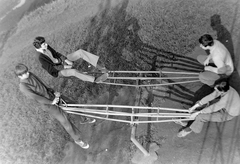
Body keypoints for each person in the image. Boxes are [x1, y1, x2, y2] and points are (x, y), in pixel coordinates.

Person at [15, 63, 95, 149]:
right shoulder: (23, 86)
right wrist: (51, 102)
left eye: (27, 71)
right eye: (25, 73)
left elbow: (42, 84)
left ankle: (82, 119)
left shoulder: (30, 74)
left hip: (52, 95)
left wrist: (52, 91)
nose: (28, 73)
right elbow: (36, 97)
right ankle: (78, 140)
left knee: (72, 104)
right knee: (65, 120)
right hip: (48, 104)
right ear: (19, 76)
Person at [176, 79, 240, 137]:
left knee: (201, 116)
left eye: (216, 89)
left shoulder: (225, 99)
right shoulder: (225, 88)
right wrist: (194, 107)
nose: (214, 88)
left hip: (228, 114)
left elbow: (212, 108)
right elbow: (211, 96)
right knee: (200, 104)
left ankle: (189, 129)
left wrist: (197, 113)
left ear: (222, 91)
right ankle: (188, 121)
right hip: (224, 106)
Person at [33, 36, 108, 83]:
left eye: (45, 43)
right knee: (74, 71)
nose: (46, 44)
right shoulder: (40, 57)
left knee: (80, 52)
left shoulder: (46, 46)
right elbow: (51, 69)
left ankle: (101, 68)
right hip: (58, 71)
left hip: (61, 62)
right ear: (39, 46)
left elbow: (56, 53)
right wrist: (65, 67)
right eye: (44, 44)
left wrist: (65, 60)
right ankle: (95, 80)